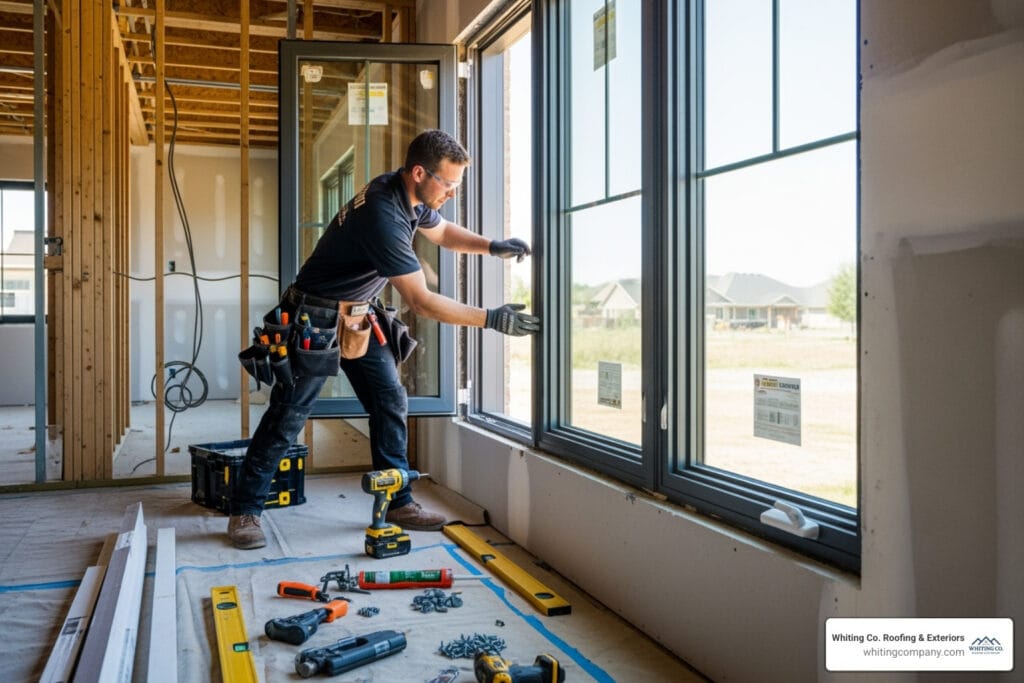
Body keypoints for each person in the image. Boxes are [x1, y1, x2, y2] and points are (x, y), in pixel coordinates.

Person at [228, 129, 540, 549]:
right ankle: (245, 509)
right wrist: (491, 319)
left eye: (456, 185)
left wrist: (492, 246)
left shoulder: (407, 194)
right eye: (448, 184)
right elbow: (421, 301)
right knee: (289, 415)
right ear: (419, 173)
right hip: (314, 317)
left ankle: (397, 501)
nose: (451, 193)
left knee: (390, 399)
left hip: (358, 313)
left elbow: (444, 234)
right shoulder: (384, 215)